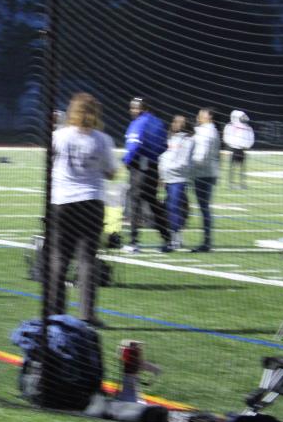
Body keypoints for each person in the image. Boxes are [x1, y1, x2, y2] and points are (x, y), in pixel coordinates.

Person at [48, 93, 117, 328]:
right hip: (91, 202)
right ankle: (87, 314)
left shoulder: (58, 136)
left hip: (62, 201)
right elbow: (111, 173)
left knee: (59, 258)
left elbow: (50, 163)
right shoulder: (103, 139)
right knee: (87, 259)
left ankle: (56, 312)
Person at [122, 97, 171, 253]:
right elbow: (164, 146)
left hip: (139, 168)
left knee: (134, 203)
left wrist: (126, 161)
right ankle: (168, 238)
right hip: (153, 168)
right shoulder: (158, 122)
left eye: (135, 108)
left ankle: (133, 242)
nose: (132, 111)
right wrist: (152, 156)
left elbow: (134, 145)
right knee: (153, 202)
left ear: (142, 109)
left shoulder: (138, 123)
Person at [158, 115, 194, 250]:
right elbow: (165, 157)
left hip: (179, 178)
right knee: (170, 207)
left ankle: (175, 239)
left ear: (185, 125)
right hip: (168, 178)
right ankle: (176, 238)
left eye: (179, 122)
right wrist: (162, 174)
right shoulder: (171, 138)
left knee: (173, 207)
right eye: (174, 121)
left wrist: (167, 169)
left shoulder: (188, 140)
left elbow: (183, 161)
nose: (175, 123)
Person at [190, 107, 221, 253]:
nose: (198, 117)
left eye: (201, 115)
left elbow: (201, 155)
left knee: (204, 208)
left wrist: (189, 167)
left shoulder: (205, 131)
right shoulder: (212, 130)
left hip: (202, 173)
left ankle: (206, 242)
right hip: (209, 172)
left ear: (209, 117)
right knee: (205, 208)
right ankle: (207, 241)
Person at [223, 109, 254, 189]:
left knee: (242, 168)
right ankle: (231, 183)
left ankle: (242, 183)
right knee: (232, 167)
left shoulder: (247, 127)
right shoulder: (230, 126)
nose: (243, 118)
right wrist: (232, 145)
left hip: (242, 150)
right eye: (241, 117)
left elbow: (251, 137)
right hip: (234, 149)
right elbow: (226, 137)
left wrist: (247, 145)